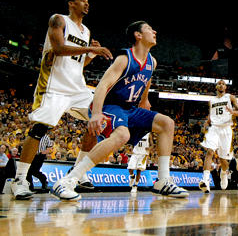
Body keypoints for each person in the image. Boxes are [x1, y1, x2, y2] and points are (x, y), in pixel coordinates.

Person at [50, 21, 188, 201]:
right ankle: (68, 180)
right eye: (148, 29)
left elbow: (147, 80)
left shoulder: (151, 61)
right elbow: (102, 85)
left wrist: (144, 98)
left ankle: (163, 180)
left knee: (167, 123)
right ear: (137, 35)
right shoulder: (124, 58)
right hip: (110, 105)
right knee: (122, 135)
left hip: (129, 108)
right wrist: (97, 113)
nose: (154, 31)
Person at [12, 0, 113, 200]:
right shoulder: (58, 19)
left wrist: (90, 56)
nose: (87, 4)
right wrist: (91, 48)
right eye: (83, 0)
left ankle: (75, 174)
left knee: (98, 119)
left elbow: (78, 62)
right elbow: (58, 49)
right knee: (40, 128)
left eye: (88, 2)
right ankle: (20, 179)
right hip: (53, 85)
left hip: (76, 87)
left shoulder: (86, 31)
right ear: (71, 3)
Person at [198, 79, 238, 193]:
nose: (221, 85)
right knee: (209, 152)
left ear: (225, 87)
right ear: (216, 87)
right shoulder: (211, 101)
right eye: (219, 83)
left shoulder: (230, 97)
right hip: (214, 128)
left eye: (223, 84)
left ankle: (223, 172)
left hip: (226, 129)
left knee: (223, 160)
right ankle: (205, 181)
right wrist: (207, 123)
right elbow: (211, 115)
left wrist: (233, 112)